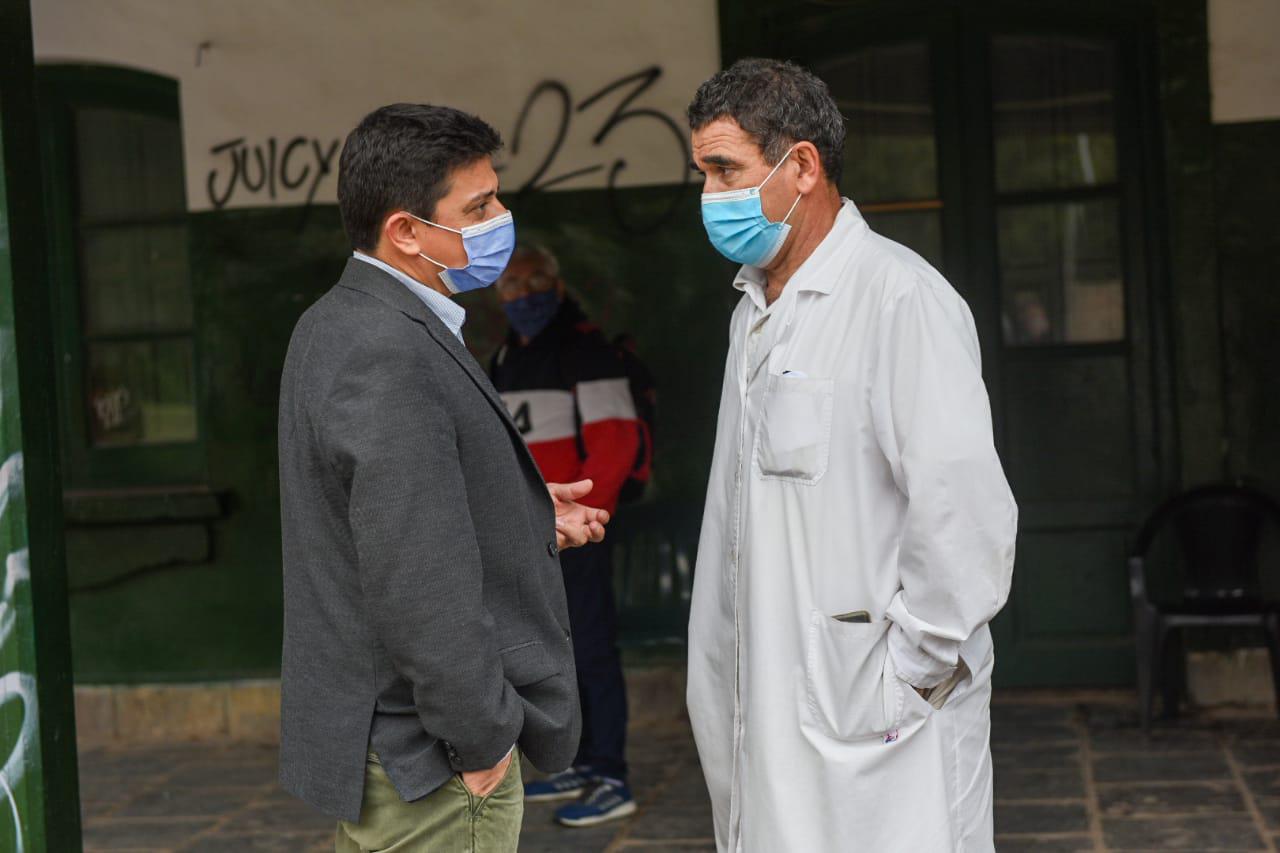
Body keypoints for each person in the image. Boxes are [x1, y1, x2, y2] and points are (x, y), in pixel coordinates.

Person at [685, 59, 1018, 852]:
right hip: (775, 710)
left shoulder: (901, 298)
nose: (709, 195)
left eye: (725, 170)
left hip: (878, 715)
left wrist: (911, 674)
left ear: (801, 166)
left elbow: (964, 514)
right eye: (702, 174)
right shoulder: (753, 308)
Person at [276, 103, 611, 852]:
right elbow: (412, 573)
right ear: (405, 230)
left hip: (395, 748)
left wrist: (522, 509)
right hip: (430, 764)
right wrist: (480, 741)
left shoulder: (338, 320)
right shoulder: (388, 349)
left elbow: (376, 512)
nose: (501, 219)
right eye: (479, 207)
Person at [489, 245, 641, 827]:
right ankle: (580, 761)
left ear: (557, 285)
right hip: (527, 532)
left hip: (576, 531)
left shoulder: (586, 350)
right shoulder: (506, 356)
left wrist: (582, 519)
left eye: (535, 281)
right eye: (511, 284)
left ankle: (612, 776)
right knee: (557, 654)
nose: (523, 294)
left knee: (593, 649)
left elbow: (617, 441)